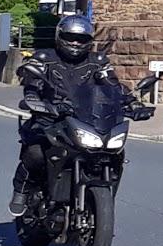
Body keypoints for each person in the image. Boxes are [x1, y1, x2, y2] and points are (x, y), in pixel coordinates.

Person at [9, 15, 128, 217]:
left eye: (81, 39)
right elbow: (31, 84)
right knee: (36, 153)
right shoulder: (44, 58)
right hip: (50, 119)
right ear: (60, 37)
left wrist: (131, 102)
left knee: (115, 153)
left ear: (89, 41)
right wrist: (37, 101)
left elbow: (113, 86)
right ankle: (21, 190)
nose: (75, 43)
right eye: (70, 37)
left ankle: (101, 201)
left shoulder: (98, 62)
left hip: (86, 120)